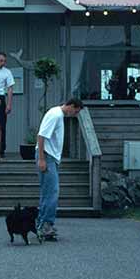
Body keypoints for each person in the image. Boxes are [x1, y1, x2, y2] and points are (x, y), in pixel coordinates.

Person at [36, 97, 84, 240]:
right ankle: (46, 225)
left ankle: (41, 223)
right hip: (47, 156)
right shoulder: (56, 115)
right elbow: (41, 136)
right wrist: (42, 159)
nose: (75, 114)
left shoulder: (57, 114)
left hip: (50, 157)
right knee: (52, 192)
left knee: (47, 191)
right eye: (76, 111)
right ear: (71, 106)